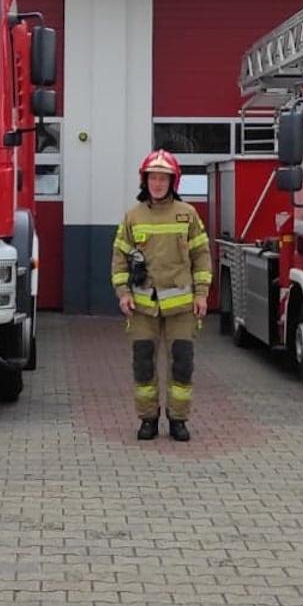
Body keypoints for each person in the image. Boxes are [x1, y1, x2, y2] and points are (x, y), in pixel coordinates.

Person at [111, 150, 213, 442]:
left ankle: (178, 420)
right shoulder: (133, 216)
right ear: (145, 181)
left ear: (173, 181)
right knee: (143, 364)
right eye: (153, 178)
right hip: (143, 308)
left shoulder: (188, 214)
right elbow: (119, 258)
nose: (157, 183)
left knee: (182, 364)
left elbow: (202, 257)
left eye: (163, 178)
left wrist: (202, 294)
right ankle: (148, 419)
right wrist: (123, 293)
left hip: (181, 307)